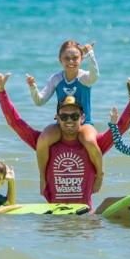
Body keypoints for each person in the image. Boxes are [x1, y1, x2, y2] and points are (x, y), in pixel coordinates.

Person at [0, 70, 130, 208]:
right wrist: (0, 91)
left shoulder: (93, 145)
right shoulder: (45, 144)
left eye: (74, 116)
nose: (70, 121)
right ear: (57, 118)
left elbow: (122, 125)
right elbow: (15, 123)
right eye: (64, 117)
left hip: (84, 218)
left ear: (82, 117)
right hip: (54, 221)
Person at [25, 40, 103, 196]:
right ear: (60, 60)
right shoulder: (56, 78)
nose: (71, 62)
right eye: (67, 58)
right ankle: (42, 176)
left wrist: (91, 54)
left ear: (81, 59)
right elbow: (39, 100)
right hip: (61, 124)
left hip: (84, 124)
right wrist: (32, 87)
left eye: (75, 57)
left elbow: (95, 77)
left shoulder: (85, 78)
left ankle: (100, 174)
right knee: (42, 140)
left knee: (89, 141)